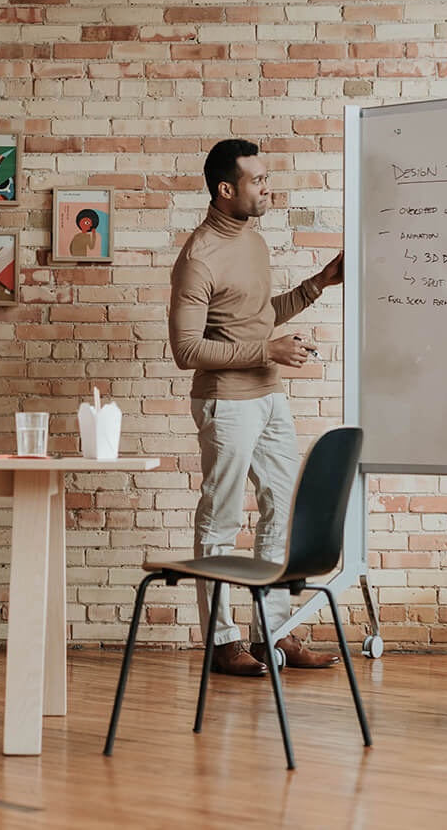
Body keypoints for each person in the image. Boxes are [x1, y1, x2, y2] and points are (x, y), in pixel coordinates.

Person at [168, 138, 346, 677]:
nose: (267, 187)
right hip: (225, 403)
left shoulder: (254, 241)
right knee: (220, 519)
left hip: (269, 397)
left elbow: (259, 318)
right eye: (257, 180)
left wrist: (319, 283)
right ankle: (223, 642)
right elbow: (186, 350)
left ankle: (276, 630)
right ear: (227, 189)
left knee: (280, 510)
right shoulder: (199, 256)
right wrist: (265, 350)